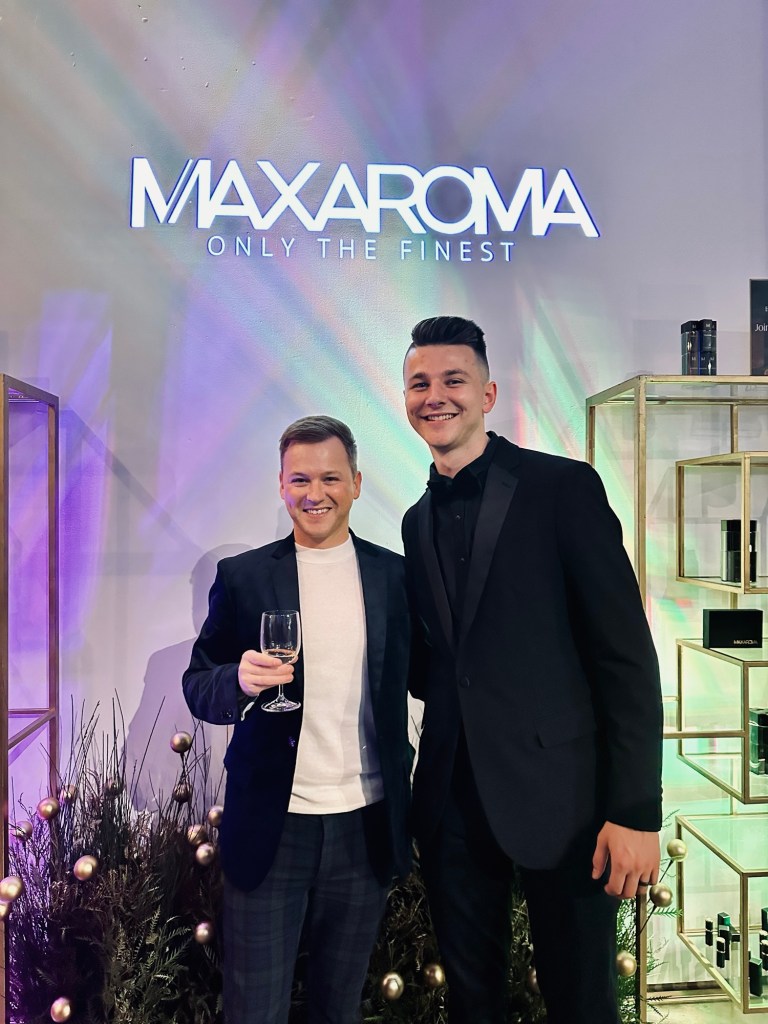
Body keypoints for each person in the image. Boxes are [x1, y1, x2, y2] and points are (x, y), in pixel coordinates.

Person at [401, 316, 663, 1024]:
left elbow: (625, 656)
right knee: (472, 1004)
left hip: (567, 802)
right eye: (419, 383)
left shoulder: (563, 488)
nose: (435, 395)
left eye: (453, 380)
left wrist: (636, 811)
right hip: (453, 805)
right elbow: (440, 666)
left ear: (487, 394)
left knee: (582, 1005)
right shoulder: (415, 521)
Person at [183, 415, 413, 1024]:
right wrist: (236, 679)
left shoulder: (395, 576)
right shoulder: (244, 577)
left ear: (356, 483)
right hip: (271, 827)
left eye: (331, 478)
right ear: (281, 486)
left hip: (365, 826)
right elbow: (197, 685)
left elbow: (428, 676)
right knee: (254, 1010)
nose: (316, 494)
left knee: (339, 1010)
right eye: (300, 480)